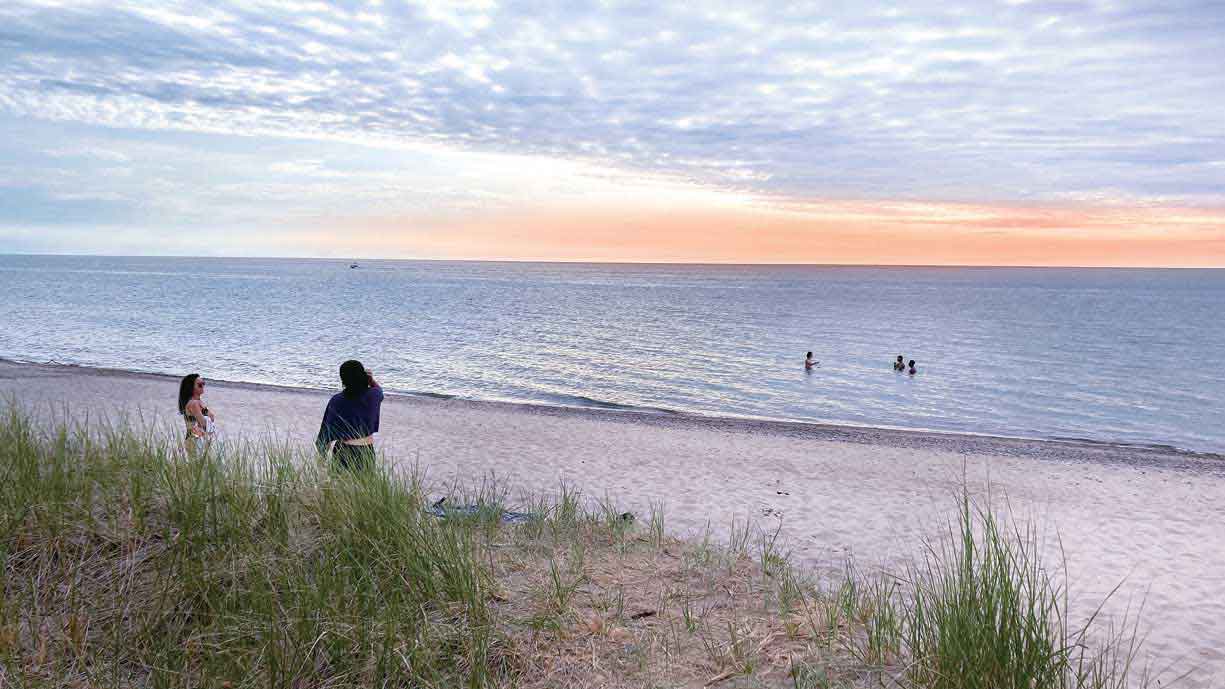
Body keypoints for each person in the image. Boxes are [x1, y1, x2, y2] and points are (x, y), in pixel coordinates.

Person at [316, 360, 385, 471]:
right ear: (363, 376)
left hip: (343, 451)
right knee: (364, 486)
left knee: (340, 485)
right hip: (366, 451)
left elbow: (326, 432)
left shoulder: (337, 400)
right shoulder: (373, 396)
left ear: (343, 379)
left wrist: (323, 457)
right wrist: (371, 380)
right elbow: (379, 390)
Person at [177, 373, 215, 457]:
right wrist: (208, 417)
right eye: (200, 385)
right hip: (194, 440)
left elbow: (210, 417)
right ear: (191, 388)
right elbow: (204, 424)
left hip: (199, 439)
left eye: (203, 383)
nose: (203, 386)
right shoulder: (194, 403)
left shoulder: (198, 401)